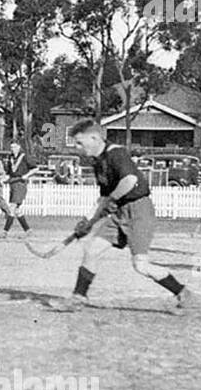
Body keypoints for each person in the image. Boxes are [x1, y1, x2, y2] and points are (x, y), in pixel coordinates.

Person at [51, 119, 193, 313]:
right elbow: (103, 197)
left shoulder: (116, 153)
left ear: (94, 138)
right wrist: (88, 220)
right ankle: (78, 298)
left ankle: (182, 291)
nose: (77, 148)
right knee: (92, 251)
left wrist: (112, 200)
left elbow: (130, 180)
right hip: (119, 212)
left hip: (138, 211)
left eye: (79, 143)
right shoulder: (98, 162)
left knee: (140, 265)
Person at [0, 141, 35, 238]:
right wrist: (3, 179)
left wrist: (26, 176)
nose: (12, 149)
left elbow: (35, 168)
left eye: (14, 147)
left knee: (11, 208)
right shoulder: (11, 158)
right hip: (13, 184)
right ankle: (28, 230)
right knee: (17, 210)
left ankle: (4, 232)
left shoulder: (24, 157)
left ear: (19, 147)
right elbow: (9, 173)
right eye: (11, 147)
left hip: (20, 184)